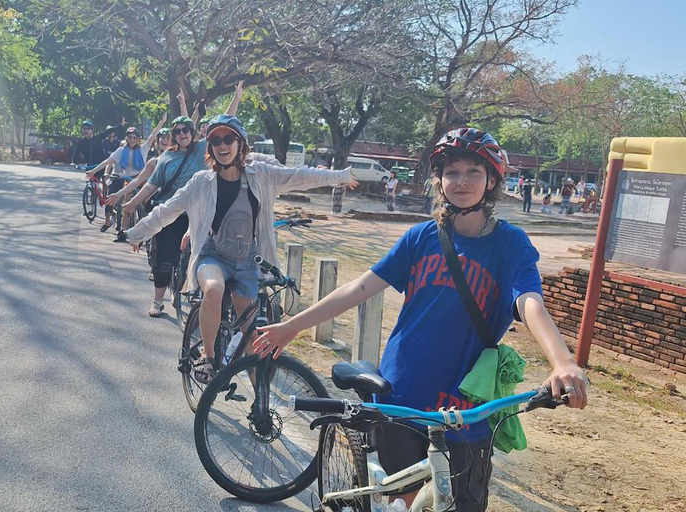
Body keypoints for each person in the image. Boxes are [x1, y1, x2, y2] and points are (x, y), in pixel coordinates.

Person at [253, 127, 588, 512]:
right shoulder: (420, 238)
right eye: (452, 172)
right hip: (402, 395)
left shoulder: (509, 244)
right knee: (407, 502)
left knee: (462, 504)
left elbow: (530, 302)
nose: (461, 181)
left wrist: (562, 361)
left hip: (465, 408)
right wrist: (293, 325)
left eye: (473, 172)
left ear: (492, 179)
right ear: (440, 180)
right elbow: (361, 288)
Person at [126, 114, 357, 382]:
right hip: (212, 256)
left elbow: (299, 175)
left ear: (241, 144)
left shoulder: (262, 175)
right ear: (210, 147)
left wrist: (341, 176)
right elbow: (167, 210)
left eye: (228, 139)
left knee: (251, 333)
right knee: (214, 288)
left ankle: (260, 404)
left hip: (246, 260)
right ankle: (208, 356)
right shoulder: (201, 182)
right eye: (215, 140)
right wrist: (137, 233)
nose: (222, 146)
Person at [123, 83, 244, 318]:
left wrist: (236, 98)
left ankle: (200, 295)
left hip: (198, 212)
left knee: (209, 253)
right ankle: (158, 300)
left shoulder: (202, 149)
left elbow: (225, 124)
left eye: (185, 130)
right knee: (165, 258)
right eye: (177, 132)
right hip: (172, 212)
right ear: (173, 135)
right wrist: (131, 203)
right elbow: (151, 185)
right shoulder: (166, 156)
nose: (181, 134)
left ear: (192, 132)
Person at [87, 116, 167, 240]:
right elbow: (107, 162)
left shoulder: (143, 149)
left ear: (138, 139)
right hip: (125, 178)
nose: (132, 140)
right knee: (120, 198)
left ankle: (143, 226)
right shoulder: (121, 150)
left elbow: (152, 136)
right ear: (126, 138)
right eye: (130, 137)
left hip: (140, 179)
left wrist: (161, 122)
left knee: (142, 201)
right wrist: (93, 171)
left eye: (134, 137)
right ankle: (118, 228)